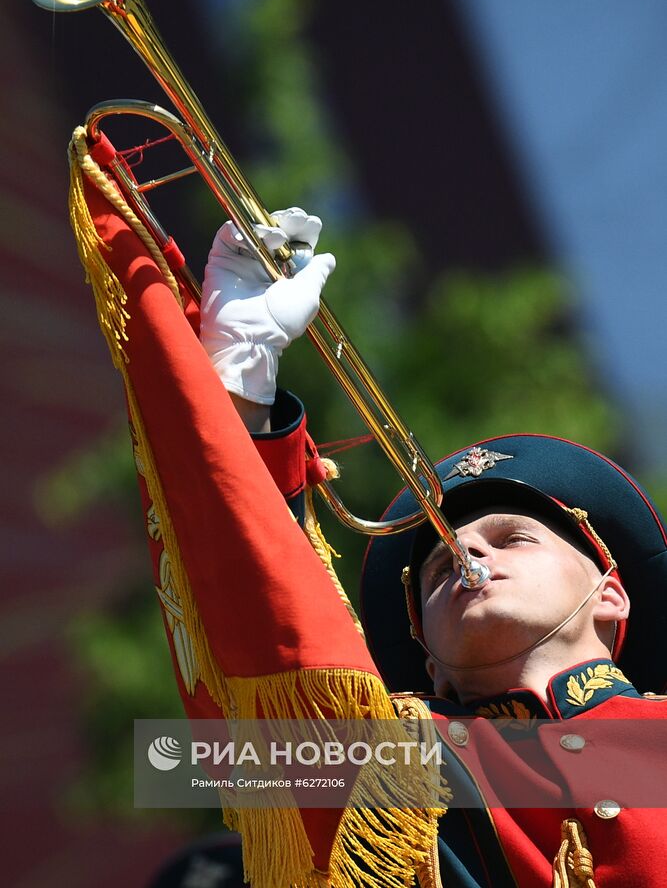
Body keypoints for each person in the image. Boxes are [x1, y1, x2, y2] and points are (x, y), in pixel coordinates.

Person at [69, 141, 667, 888]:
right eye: (441, 567)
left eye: (512, 536)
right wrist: (236, 393)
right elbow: (265, 632)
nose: (468, 557)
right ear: (424, 646)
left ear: (608, 590)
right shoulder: (390, 764)